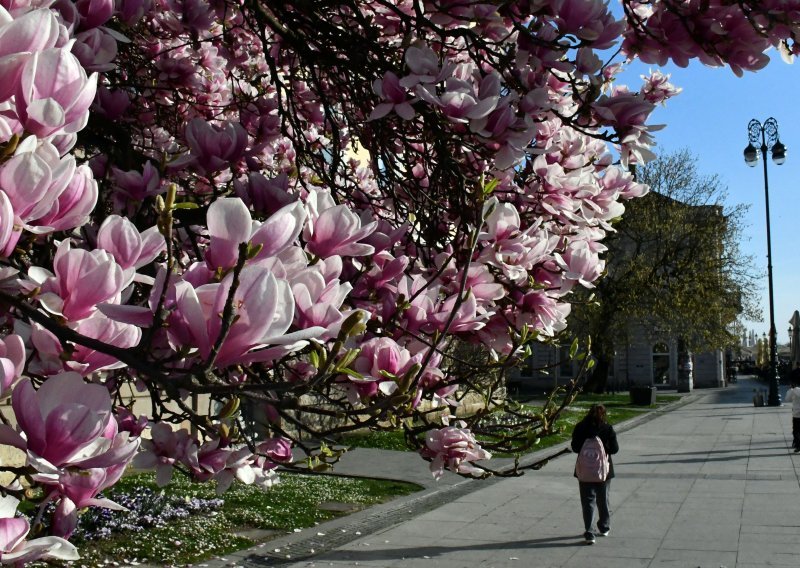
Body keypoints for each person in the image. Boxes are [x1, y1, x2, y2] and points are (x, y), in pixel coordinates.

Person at [571, 403, 619, 545]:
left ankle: (589, 532)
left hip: (585, 470)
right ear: (603, 414)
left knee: (588, 502)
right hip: (604, 471)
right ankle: (604, 526)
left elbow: (575, 447)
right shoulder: (607, 428)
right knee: (603, 499)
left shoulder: (580, 427)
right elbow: (615, 449)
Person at [785, 370, 800, 452]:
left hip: (797, 414)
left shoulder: (792, 391)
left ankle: (798, 444)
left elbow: (787, 399)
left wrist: (790, 390)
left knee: (796, 430)